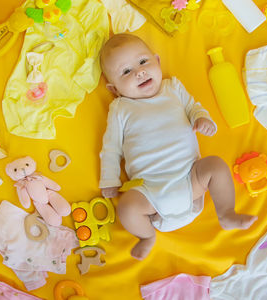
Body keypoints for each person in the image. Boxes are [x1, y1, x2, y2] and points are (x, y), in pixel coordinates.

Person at [99, 33, 257, 260]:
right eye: (126, 71)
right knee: (126, 208)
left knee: (215, 165)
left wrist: (202, 119)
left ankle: (226, 213)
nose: (139, 72)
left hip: (190, 178)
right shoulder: (120, 108)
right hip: (149, 190)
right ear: (114, 89)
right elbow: (111, 148)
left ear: (157, 61)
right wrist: (110, 179)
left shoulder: (172, 87)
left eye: (143, 62)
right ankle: (147, 236)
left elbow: (194, 107)